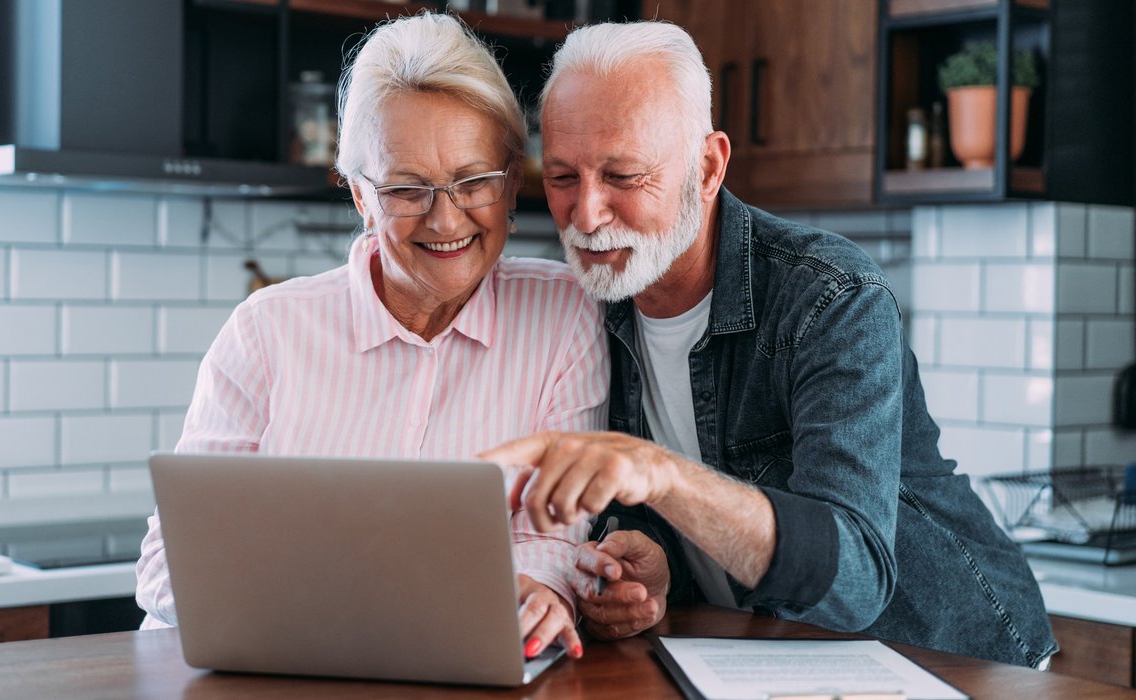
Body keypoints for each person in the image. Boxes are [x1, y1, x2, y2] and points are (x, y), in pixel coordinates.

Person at [480, 21, 1057, 667]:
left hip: (950, 658)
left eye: (623, 175)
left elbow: (855, 581)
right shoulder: (588, 307)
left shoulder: (830, 297)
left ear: (706, 167)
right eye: (562, 177)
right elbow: (682, 507)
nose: (585, 215)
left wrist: (659, 473)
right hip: (772, 660)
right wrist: (656, 564)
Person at [136, 13, 608, 661]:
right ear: (359, 194)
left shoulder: (563, 314)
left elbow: (553, 534)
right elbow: (168, 561)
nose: (445, 219)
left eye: (472, 182)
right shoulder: (267, 330)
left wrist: (539, 590)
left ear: (508, 180)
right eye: (406, 189)